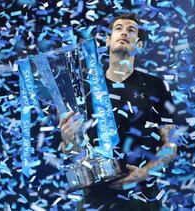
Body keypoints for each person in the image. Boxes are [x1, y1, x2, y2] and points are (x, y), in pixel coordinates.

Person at [59, 13, 177, 210]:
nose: (123, 32)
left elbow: (170, 145)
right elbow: (71, 152)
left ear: (138, 45)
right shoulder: (85, 89)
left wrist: (146, 172)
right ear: (108, 41)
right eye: (118, 28)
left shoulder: (156, 87)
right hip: (95, 198)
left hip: (141, 196)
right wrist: (67, 138)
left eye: (131, 30)